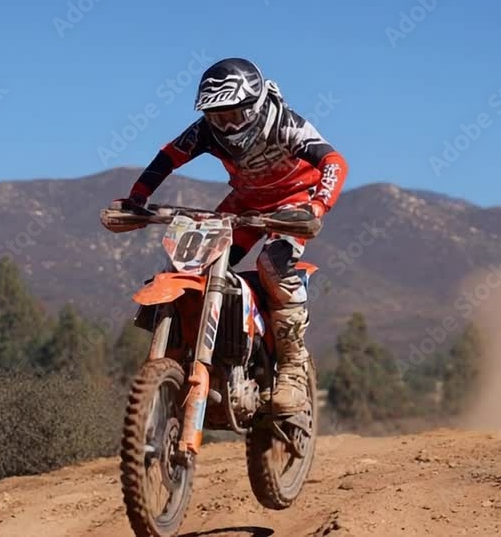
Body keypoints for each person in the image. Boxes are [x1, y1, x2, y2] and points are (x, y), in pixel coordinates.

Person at [102, 58, 348, 414]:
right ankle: (193, 351)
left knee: (272, 265)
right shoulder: (204, 131)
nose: (227, 125)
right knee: (193, 264)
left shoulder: (285, 124)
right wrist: (137, 197)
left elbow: (334, 161)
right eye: (218, 117)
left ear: (256, 106)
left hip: (293, 204)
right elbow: (169, 157)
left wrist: (317, 206)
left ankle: (292, 368)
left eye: (234, 115)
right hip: (244, 202)